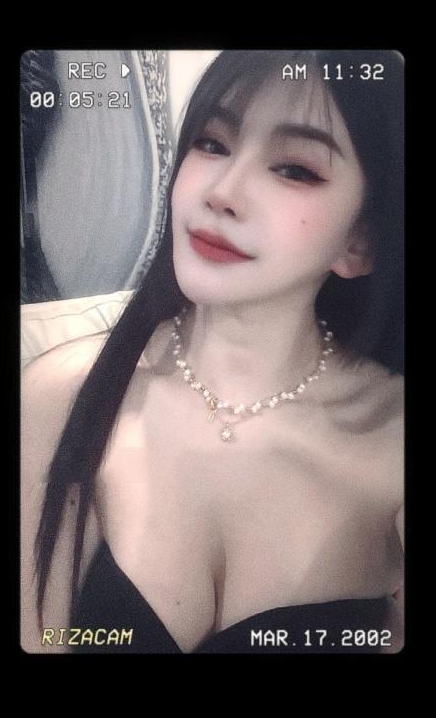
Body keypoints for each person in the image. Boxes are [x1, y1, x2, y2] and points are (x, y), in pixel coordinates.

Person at [21, 49, 404, 654]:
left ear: (360, 242)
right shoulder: (61, 395)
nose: (223, 192)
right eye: (212, 144)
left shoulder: (392, 440)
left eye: (295, 169)